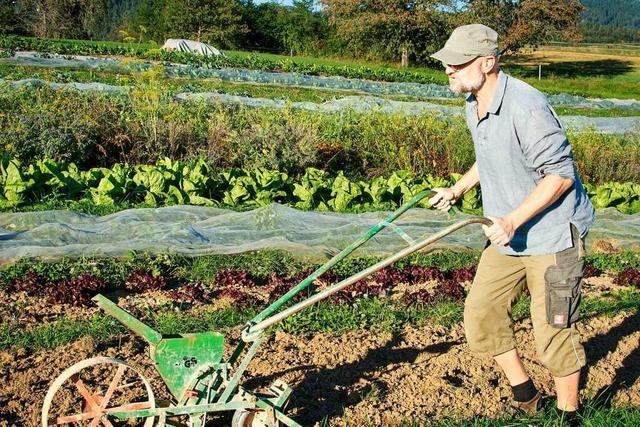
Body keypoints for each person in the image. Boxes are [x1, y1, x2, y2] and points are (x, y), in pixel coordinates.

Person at [427, 24, 595, 425]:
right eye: (446, 63)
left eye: (458, 62)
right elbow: (489, 158)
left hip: (553, 234)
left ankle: (568, 413)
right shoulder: (474, 103)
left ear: (487, 63)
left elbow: (561, 174)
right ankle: (525, 394)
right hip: (507, 234)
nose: (449, 69)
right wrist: (458, 188)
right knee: (481, 313)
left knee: (553, 328)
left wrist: (513, 218)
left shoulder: (526, 106)